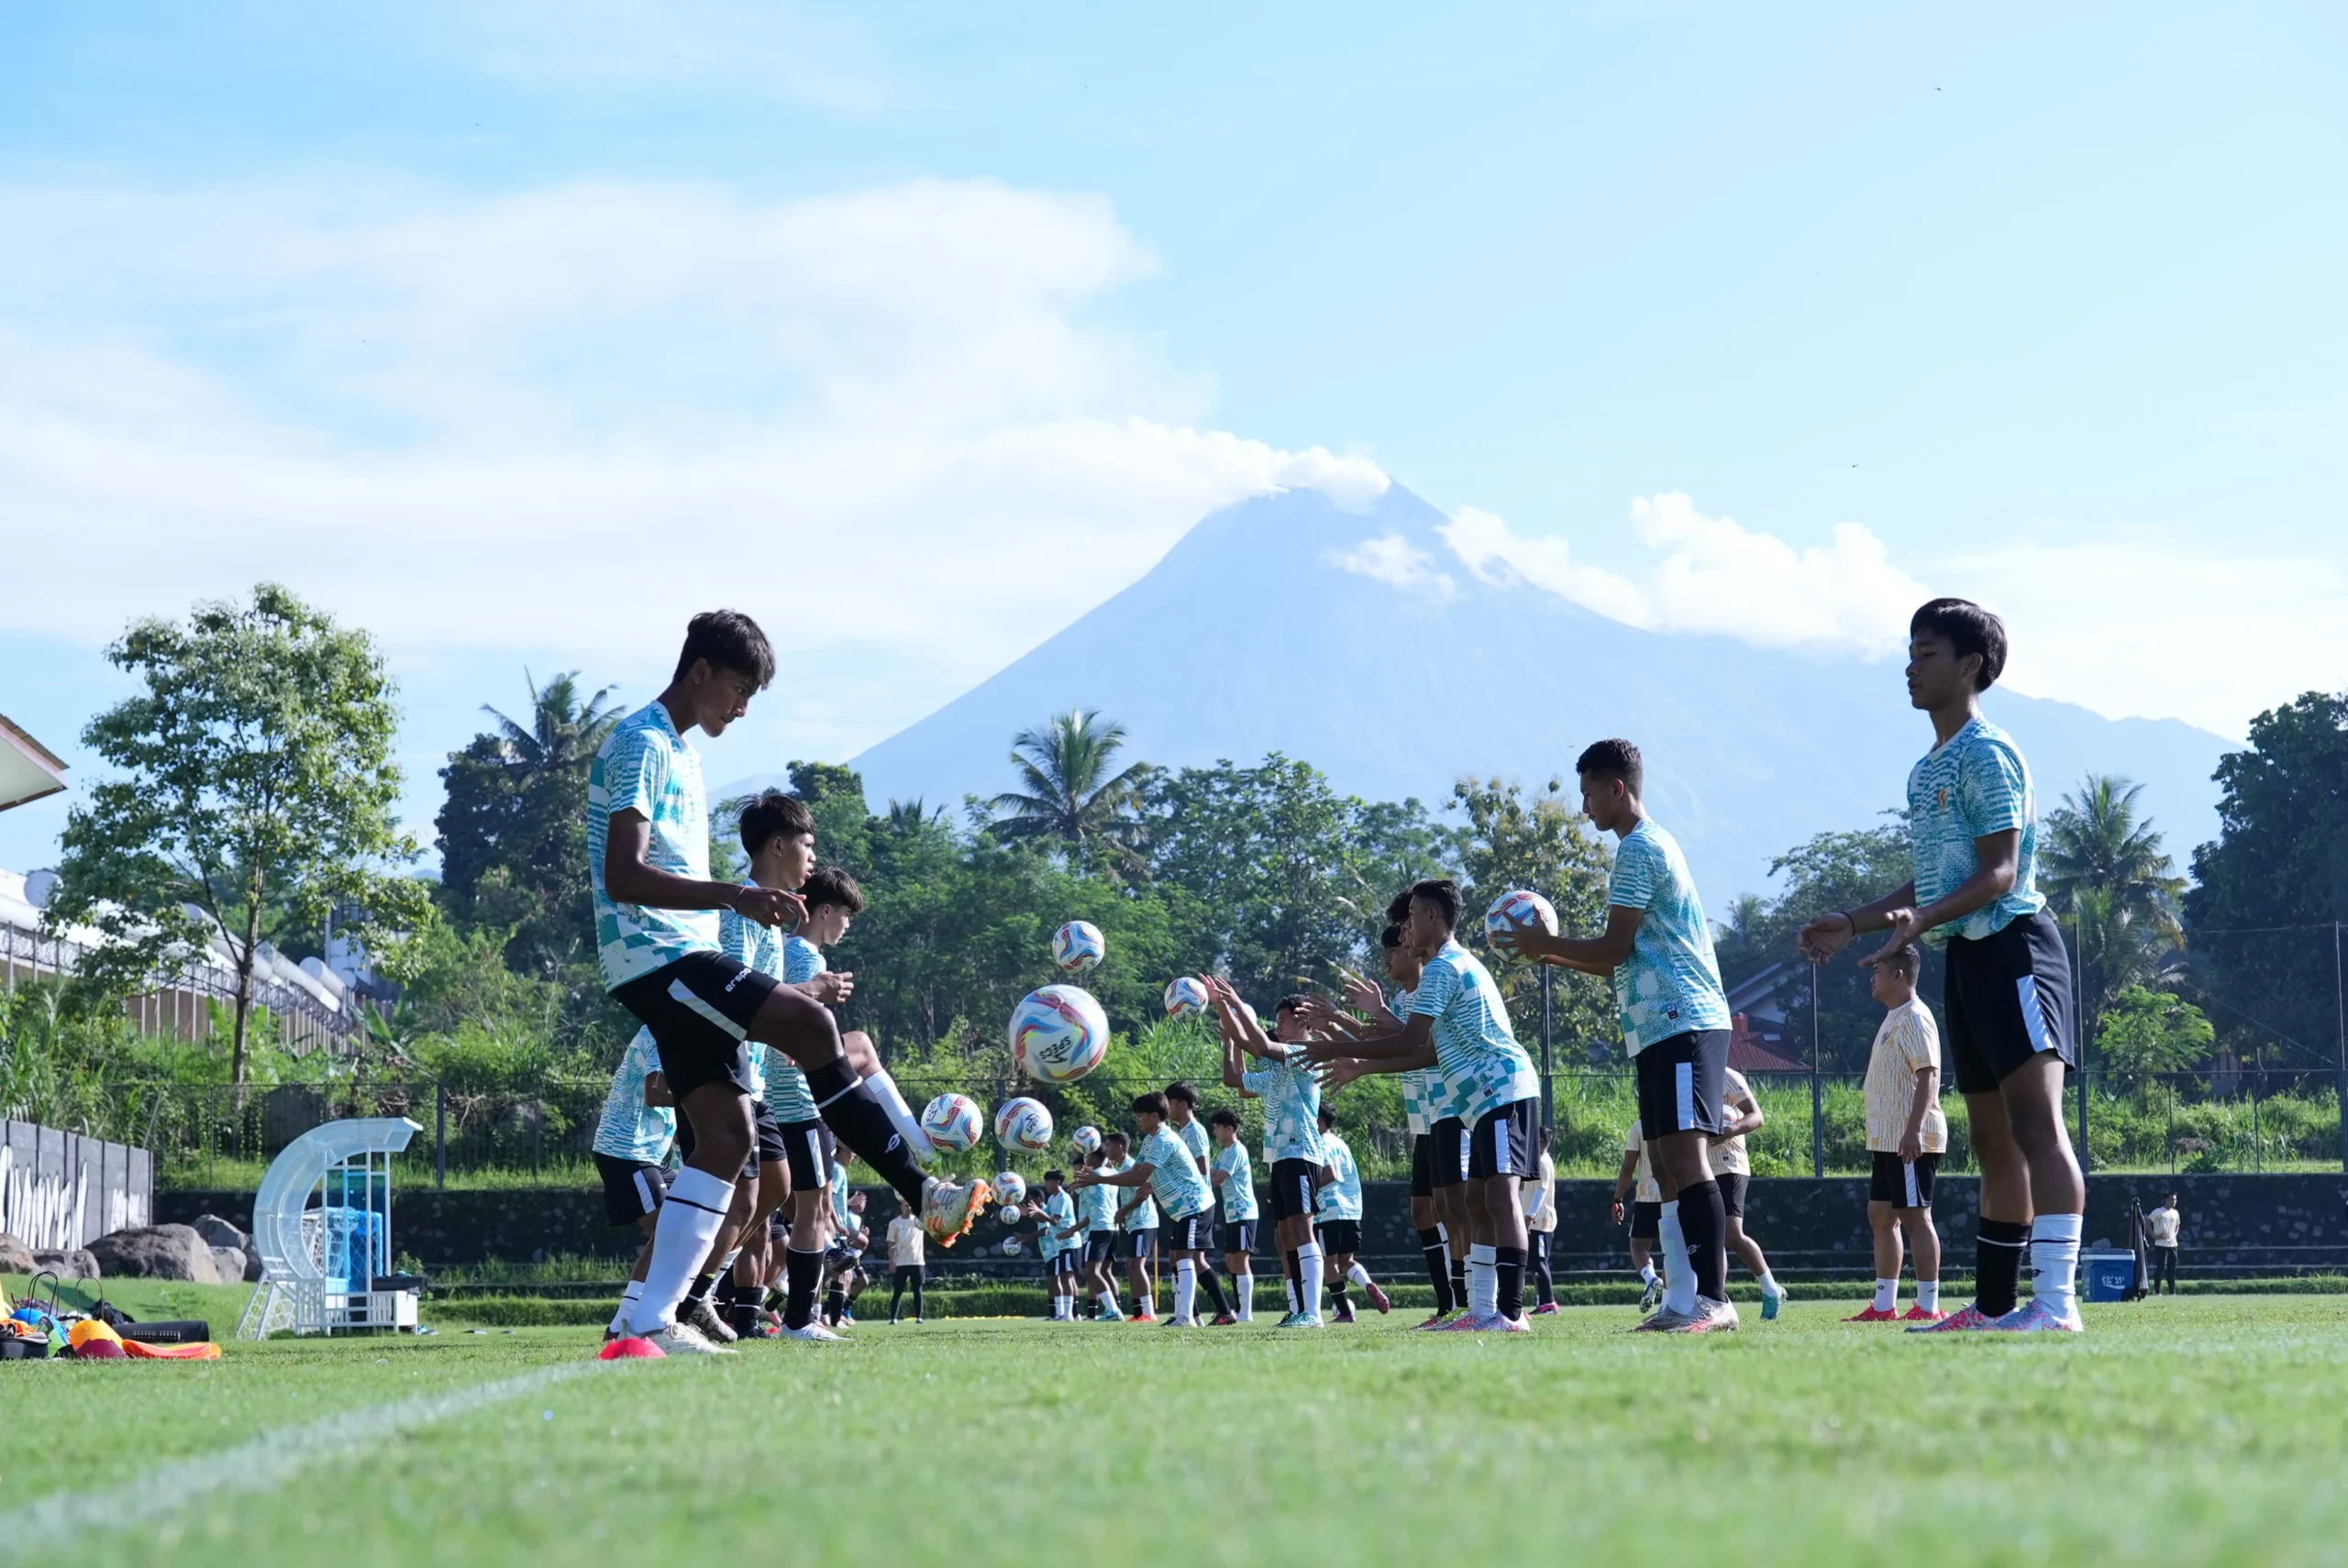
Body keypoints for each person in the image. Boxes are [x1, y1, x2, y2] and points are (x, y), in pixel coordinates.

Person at [590, 613, 987, 1353]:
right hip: (659, 953)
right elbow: (624, 874)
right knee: (812, 1028)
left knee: (732, 1138)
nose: (742, 708)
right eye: (739, 689)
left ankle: (648, 1318)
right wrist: (734, 897)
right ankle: (922, 1191)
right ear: (701, 671)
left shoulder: (682, 752)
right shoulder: (642, 741)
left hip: (678, 951)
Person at [1798, 598, 2087, 1333]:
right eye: (1911, 651)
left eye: (1928, 653)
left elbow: (1999, 872)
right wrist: (1856, 920)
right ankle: (1992, 1308)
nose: (1911, 666)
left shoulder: (1988, 753)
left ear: (1972, 665)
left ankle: (2056, 1306)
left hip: (2017, 949)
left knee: (2035, 1126)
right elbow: (1930, 880)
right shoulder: (1927, 771)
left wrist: (1921, 921)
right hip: (1968, 958)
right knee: (1990, 1139)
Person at [1494, 745, 1736, 1333]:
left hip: (1685, 1019)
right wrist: (1546, 953)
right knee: (1669, 1167)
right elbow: (1613, 963)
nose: (1584, 806)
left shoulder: (1639, 848)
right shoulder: (1641, 847)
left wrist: (1541, 948)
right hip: (1656, 1028)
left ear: (1617, 790)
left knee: (1686, 1158)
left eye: (1589, 793)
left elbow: (1612, 948)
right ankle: (1681, 1302)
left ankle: (1715, 1301)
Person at [1307, 878, 1545, 1332]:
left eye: (1413, 916)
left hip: (1503, 1090)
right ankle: (1479, 1310)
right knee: (1476, 1200)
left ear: (1432, 917)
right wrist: (1352, 1051)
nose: (1408, 927)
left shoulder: (1444, 967)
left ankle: (1511, 1315)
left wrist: (1338, 1045)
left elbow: (1410, 1038)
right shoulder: (1444, 966)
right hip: (1481, 1102)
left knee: (1497, 1197)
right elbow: (1425, 1052)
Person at [1213, 984, 1329, 1327]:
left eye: (1283, 1020)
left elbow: (1260, 1044)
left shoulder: (1307, 1053)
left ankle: (1313, 1312)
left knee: (1301, 1229)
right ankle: (1297, 1308)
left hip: (1301, 1152)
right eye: (1276, 1020)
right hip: (1279, 1156)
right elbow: (1234, 1078)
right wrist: (1226, 1022)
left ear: (1303, 1021)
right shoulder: (1279, 1069)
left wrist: (1235, 1004)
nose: (1278, 1025)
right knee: (1283, 1235)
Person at [1850, 942, 1949, 1323]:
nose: (1872, 978)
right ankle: (1884, 1304)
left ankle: (1927, 1306)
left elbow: (1929, 1074)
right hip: (1887, 1139)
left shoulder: (1915, 1016)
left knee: (1915, 1217)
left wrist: (1913, 1131)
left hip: (1909, 1138)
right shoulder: (1894, 1016)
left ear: (1899, 974)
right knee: (1880, 1215)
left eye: (1878, 970)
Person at [1073, 1092, 1228, 1327]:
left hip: (1195, 1205)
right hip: (1184, 1210)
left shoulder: (1163, 1139)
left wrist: (1099, 1179)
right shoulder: (1150, 1140)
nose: (1138, 1120)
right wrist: (1098, 1177)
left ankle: (1186, 1318)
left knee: (1185, 1257)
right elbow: (1135, 1173)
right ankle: (1196, 1316)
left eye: (1141, 1115)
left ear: (1155, 1116)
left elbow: (1139, 1178)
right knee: (1180, 1258)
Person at [591, 1026, 677, 1340]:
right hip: (627, 1151)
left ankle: (673, 1314)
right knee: (668, 1232)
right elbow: (655, 1093)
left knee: (695, 1218)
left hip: (650, 1155)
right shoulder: (660, 1031)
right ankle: (621, 1326)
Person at [1711, 1066, 1787, 1319]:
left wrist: (1730, 1130)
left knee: (1731, 1233)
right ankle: (1715, 1301)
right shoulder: (1687, 1074)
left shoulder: (1727, 1075)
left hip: (1730, 1164)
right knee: (1712, 1237)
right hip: (1700, 1168)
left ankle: (1770, 1288)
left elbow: (1756, 1116)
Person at [1313, 1106, 1391, 1321]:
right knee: (1347, 1261)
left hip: (1328, 1210)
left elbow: (1329, 1174)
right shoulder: (1341, 1143)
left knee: (1329, 1262)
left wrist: (1307, 1189)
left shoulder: (1320, 1143)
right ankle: (1368, 1284)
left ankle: (1344, 1312)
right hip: (1351, 1208)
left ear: (1319, 1121)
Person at [1207, 1109, 1258, 1323]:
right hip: (1232, 1214)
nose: (1215, 1132)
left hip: (1243, 1212)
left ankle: (1245, 1312)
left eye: (1218, 1128)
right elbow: (1210, 1172)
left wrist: (1194, 1186)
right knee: (1231, 1260)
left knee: (1241, 1259)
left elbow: (1218, 1178)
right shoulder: (1225, 1152)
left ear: (1230, 1129)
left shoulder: (1237, 1150)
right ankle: (1239, 1308)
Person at [1610, 1118, 1665, 1311]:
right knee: (1675, 1249)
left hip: (1648, 1195)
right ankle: (1671, 1299)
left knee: (1638, 1246)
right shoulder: (1680, 1117)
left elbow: (1628, 1167)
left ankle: (1651, 1278)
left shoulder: (1640, 1125)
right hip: (1677, 1193)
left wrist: (1618, 1199)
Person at [1109, 1130, 1160, 1321]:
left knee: (1137, 1265)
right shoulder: (1123, 1168)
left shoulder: (1132, 1166)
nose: (1107, 1149)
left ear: (1120, 1147)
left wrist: (1124, 1210)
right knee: (1131, 1266)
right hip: (1133, 1223)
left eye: (1110, 1145)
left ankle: (1149, 1313)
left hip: (1144, 1221)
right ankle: (1138, 1312)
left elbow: (1144, 1193)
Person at [1077, 1145, 1124, 1320]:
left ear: (1094, 1158)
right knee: (1104, 1271)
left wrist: (1078, 1180)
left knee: (1091, 1272)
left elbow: (1075, 1189)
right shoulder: (1112, 1172)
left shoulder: (1096, 1174)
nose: (1085, 1159)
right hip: (1113, 1228)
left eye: (1087, 1155)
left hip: (1100, 1227)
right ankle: (1114, 1309)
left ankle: (1113, 1310)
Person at [1033, 1170, 1081, 1321]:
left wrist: (1039, 1211)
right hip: (1061, 1243)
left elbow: (1054, 1221)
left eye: (1048, 1182)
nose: (1046, 1185)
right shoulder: (1053, 1199)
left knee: (1067, 1277)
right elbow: (1042, 1216)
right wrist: (1025, 1212)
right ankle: (1068, 1314)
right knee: (1066, 1277)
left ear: (1056, 1182)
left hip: (1069, 1241)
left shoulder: (1063, 1198)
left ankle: (1068, 1315)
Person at [1523, 1127, 1558, 1315]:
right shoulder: (1534, 1162)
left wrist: (1530, 1215)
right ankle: (1542, 1301)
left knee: (1539, 1260)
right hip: (1532, 1219)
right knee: (1533, 1262)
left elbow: (1541, 1191)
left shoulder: (1544, 1163)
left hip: (1540, 1221)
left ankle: (1548, 1302)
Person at [886, 1195, 925, 1324]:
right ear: (901, 1207)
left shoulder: (919, 1221)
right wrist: (892, 1261)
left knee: (917, 1290)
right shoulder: (894, 1223)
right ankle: (893, 1318)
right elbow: (890, 1243)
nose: (907, 1208)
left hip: (917, 1260)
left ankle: (919, 1317)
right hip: (901, 1261)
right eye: (905, 1205)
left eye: (909, 1205)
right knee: (898, 1290)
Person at [2146, 1193, 2181, 1295]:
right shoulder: (2159, 1211)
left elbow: (2178, 1225)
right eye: (2172, 1199)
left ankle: (2172, 1292)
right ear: (2166, 1200)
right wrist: (2154, 1236)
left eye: (2175, 1200)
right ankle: (2158, 1292)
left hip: (2173, 1245)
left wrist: (2174, 1234)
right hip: (2161, 1244)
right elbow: (2147, 1221)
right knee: (2160, 1268)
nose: (2174, 1202)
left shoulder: (2175, 1213)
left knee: (2172, 1269)